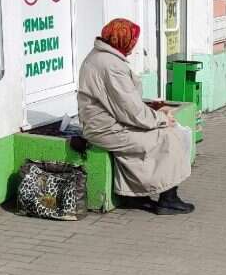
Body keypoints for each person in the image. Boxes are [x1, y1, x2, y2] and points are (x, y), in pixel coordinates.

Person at [77, 18, 195, 215]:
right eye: (132, 41)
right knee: (169, 135)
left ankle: (133, 197)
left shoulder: (99, 56)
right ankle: (168, 198)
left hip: (105, 124)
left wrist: (152, 112)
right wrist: (161, 118)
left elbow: (122, 103)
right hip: (107, 129)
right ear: (122, 40)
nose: (133, 46)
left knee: (163, 132)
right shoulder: (110, 65)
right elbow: (130, 109)